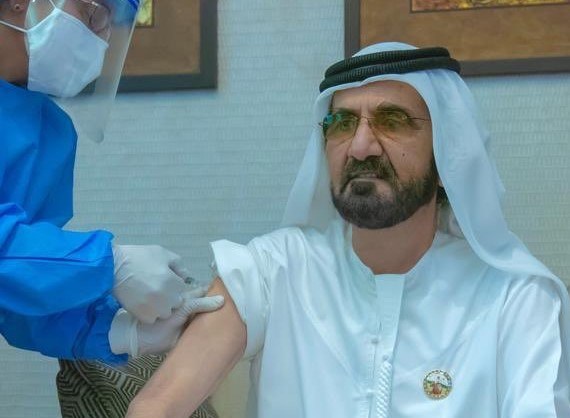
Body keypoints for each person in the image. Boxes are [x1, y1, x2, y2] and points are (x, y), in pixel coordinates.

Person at [126, 42, 570, 417]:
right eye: (341, 124)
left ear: (446, 158)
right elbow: (156, 408)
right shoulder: (271, 271)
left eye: (393, 121)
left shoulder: (516, 297)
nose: (360, 147)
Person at [0, 0, 224, 364]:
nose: (101, 39)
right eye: (94, 14)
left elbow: (20, 290)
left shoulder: (45, 131)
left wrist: (117, 329)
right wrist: (106, 264)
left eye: (111, 24)